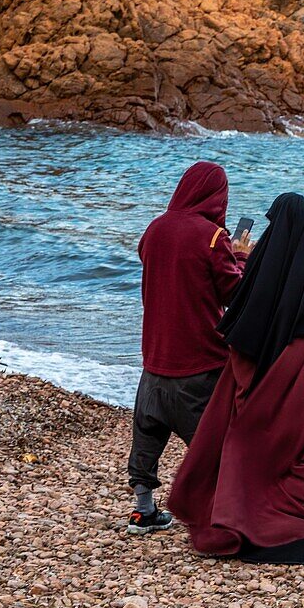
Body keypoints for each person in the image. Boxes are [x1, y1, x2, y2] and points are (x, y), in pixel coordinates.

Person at [168, 192, 304, 564]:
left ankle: (246, 525)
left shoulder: (264, 262)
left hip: (260, 375)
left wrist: (242, 255)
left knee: (251, 445)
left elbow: (240, 315)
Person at [126, 161, 254, 535]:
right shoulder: (213, 238)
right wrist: (241, 254)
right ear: (218, 196)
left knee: (148, 434)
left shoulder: (154, 229)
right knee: (215, 443)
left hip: (156, 353)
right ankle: (218, 516)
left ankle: (143, 510)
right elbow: (234, 293)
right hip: (200, 358)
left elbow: (157, 263)